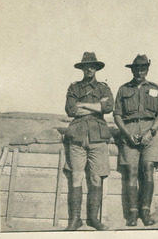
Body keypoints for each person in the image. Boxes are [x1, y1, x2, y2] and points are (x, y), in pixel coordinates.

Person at [113, 55, 158, 227]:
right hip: (129, 132)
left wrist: (151, 132)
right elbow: (117, 115)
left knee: (148, 169)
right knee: (131, 171)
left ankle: (145, 212)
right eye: (137, 68)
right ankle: (132, 214)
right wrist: (126, 133)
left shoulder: (155, 88)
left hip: (150, 132)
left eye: (143, 68)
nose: (140, 71)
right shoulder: (123, 89)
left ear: (147, 70)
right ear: (132, 70)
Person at [64, 52, 114, 231]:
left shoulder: (103, 88)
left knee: (95, 177)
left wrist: (82, 104)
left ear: (96, 68)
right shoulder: (74, 88)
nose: (90, 68)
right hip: (77, 136)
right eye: (87, 66)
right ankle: (75, 219)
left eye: (93, 66)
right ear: (82, 68)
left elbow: (108, 107)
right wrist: (95, 108)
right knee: (76, 176)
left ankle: (93, 218)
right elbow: (70, 110)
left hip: (98, 137)